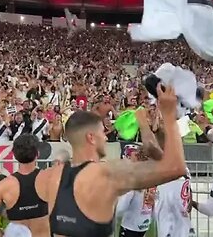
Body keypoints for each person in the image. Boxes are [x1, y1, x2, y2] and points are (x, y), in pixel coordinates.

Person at [46, 84, 186, 237]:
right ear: (91, 138)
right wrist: (168, 116)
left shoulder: (51, 176)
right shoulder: (109, 174)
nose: (106, 136)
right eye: (102, 132)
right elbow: (176, 168)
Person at [0, 134, 49, 237]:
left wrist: (3, 235)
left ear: (14, 156)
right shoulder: (50, 179)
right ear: (37, 154)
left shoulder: (3, 186)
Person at [116, 145, 156, 237]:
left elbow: (120, 208)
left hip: (130, 226)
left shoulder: (132, 179)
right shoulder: (152, 178)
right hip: (144, 224)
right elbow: (154, 205)